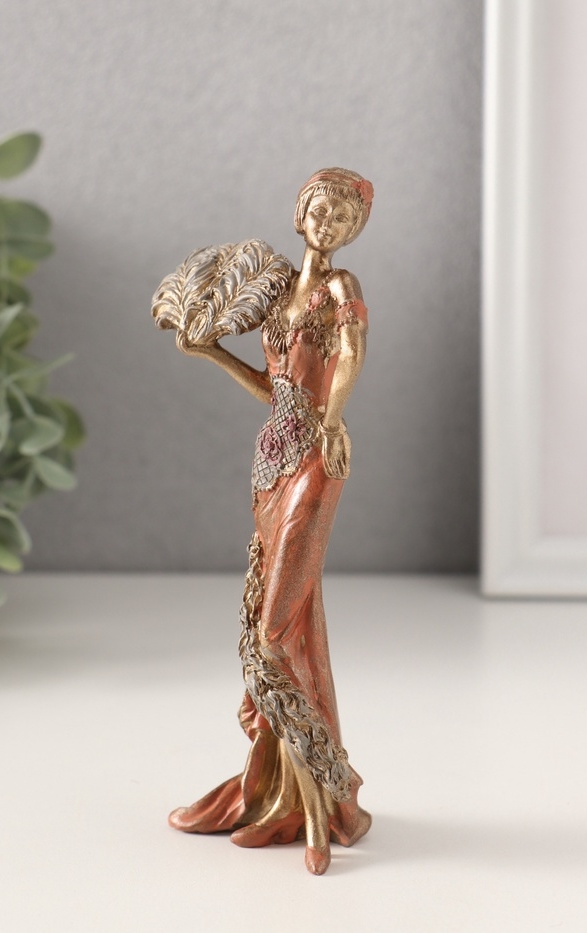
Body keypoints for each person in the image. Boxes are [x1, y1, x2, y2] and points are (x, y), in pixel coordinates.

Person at [169, 168, 373, 875]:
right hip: (270, 460)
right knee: (291, 620)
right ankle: (282, 794)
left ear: (352, 232)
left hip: (317, 454)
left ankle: (318, 807)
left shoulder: (340, 288)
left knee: (274, 631)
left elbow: (350, 353)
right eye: (322, 209)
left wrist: (335, 419)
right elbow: (274, 388)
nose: (330, 223)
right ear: (300, 213)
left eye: (344, 218)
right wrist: (210, 351)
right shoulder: (278, 293)